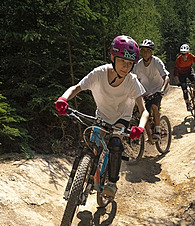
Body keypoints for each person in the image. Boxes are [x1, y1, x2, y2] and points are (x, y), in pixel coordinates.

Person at [55, 35, 149, 199]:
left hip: (121, 118)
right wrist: (63, 99)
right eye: (122, 62)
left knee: (115, 144)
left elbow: (144, 110)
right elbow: (76, 88)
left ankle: (112, 183)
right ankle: (85, 173)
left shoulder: (132, 81)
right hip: (102, 116)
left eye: (129, 64)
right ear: (113, 57)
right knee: (92, 145)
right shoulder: (98, 74)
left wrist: (140, 127)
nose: (126, 67)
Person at [133, 39, 170, 141]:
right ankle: (149, 135)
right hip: (145, 91)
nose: (145, 53)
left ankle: (157, 131)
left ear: (151, 52)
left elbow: (166, 77)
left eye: (147, 51)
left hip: (158, 89)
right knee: (144, 113)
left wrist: (161, 90)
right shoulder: (138, 65)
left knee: (154, 106)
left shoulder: (156, 62)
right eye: (143, 50)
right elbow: (133, 80)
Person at [173, 43, 195, 111]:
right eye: (182, 54)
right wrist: (178, 82)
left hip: (189, 72)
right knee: (185, 90)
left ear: (188, 53)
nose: (184, 56)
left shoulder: (191, 56)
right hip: (181, 74)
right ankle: (188, 104)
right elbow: (175, 72)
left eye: (185, 54)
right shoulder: (178, 60)